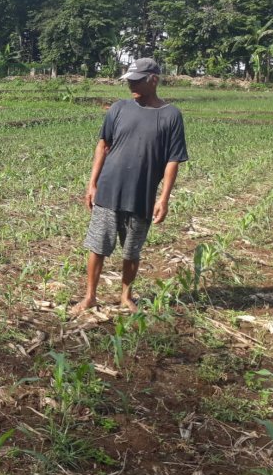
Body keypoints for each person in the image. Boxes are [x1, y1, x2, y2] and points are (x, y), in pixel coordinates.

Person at [72, 58, 188, 314]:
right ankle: (90, 296)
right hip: (109, 189)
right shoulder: (119, 108)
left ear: (153, 80)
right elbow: (103, 146)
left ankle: (126, 296)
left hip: (142, 193)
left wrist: (164, 198)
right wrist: (92, 184)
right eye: (129, 81)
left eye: (137, 81)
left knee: (132, 250)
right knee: (97, 245)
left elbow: (172, 160)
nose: (131, 85)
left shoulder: (170, 115)